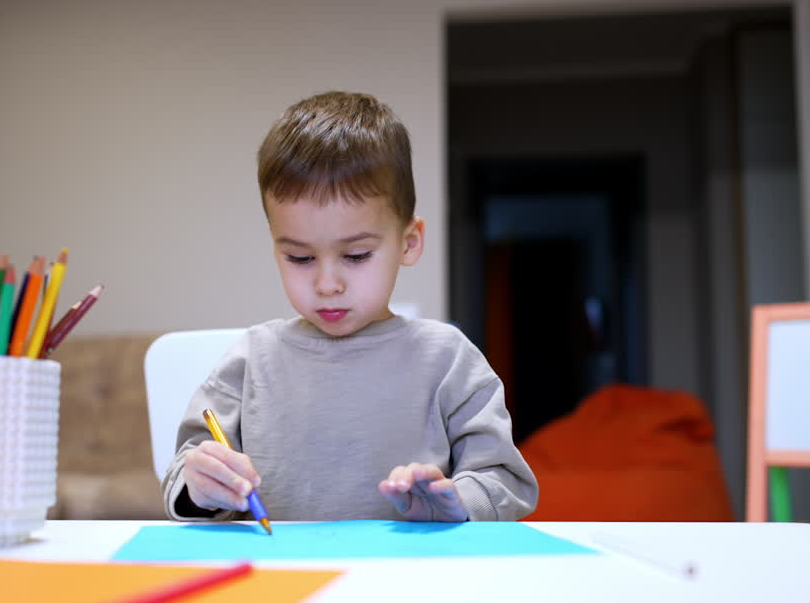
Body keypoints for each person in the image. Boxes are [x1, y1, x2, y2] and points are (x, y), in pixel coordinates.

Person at [162, 91, 538, 523]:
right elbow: (185, 473)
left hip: (417, 578)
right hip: (280, 581)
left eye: (356, 256)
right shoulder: (251, 360)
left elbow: (505, 481)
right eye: (300, 258)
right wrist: (202, 486)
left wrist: (456, 500)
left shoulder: (448, 359)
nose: (327, 284)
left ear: (409, 242)